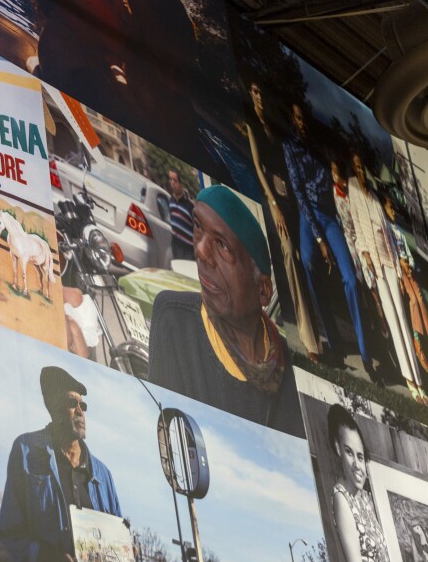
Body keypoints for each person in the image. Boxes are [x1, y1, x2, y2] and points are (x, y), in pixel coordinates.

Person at [148, 185, 304, 437]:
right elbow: (166, 434)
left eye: (222, 245)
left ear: (263, 291)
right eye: (197, 227)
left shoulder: (290, 366)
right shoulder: (174, 320)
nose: (200, 251)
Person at [0, 366, 125, 562]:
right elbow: (10, 534)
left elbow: (117, 549)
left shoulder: (104, 476)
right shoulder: (26, 451)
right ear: (53, 407)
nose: (80, 411)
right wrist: (49, 559)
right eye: (72, 403)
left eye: (83, 405)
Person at [284, 103, 370, 373]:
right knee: (309, 262)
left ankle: (367, 356)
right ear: (293, 120)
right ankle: (335, 348)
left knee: (350, 278)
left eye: (305, 117)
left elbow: (338, 178)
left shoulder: (323, 147)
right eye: (298, 117)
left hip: (330, 215)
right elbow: (298, 191)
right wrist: (320, 239)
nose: (303, 122)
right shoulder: (290, 147)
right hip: (307, 214)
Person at [245, 81, 322, 362]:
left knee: (305, 259)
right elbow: (257, 166)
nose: (259, 96)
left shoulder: (278, 125)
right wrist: (274, 204)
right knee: (289, 254)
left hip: (294, 199)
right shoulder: (253, 125)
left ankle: (317, 330)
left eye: (262, 90)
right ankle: (309, 338)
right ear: (250, 95)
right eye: (254, 91)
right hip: (275, 198)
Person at [346, 153, 428, 403]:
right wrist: (365, 255)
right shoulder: (353, 193)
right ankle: (409, 380)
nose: (361, 172)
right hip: (375, 266)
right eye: (357, 167)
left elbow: (389, 236)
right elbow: (357, 228)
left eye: (363, 168)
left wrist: (398, 268)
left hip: (389, 263)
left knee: (402, 319)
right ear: (354, 169)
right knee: (392, 320)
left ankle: (419, 383)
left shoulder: (374, 196)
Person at [327, 404, 397, 562]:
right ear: (337, 448)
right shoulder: (342, 500)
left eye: (360, 456)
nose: (357, 465)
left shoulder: (366, 498)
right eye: (349, 452)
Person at [167, 169, 195, 261]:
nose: (172, 183)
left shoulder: (190, 206)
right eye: (170, 179)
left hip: (188, 249)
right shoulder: (170, 201)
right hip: (175, 245)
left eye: (175, 180)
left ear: (181, 183)